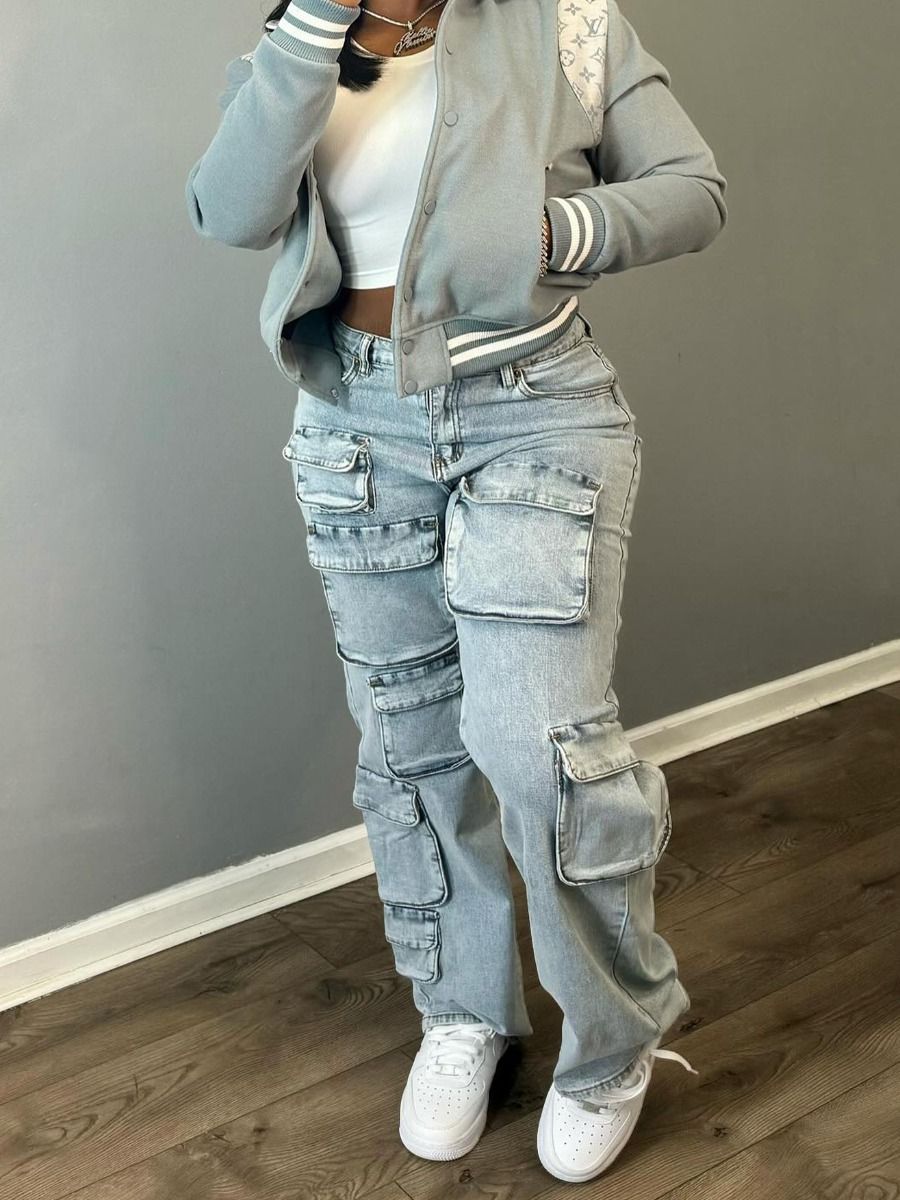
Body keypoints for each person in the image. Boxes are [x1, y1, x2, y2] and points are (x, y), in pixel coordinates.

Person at [185, 0, 726, 1182]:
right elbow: (231, 211)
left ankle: (611, 1041)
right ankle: (464, 1009)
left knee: (541, 750)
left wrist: (546, 232)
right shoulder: (301, 42)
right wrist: (315, 21)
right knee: (410, 746)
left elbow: (693, 191)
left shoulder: (566, 21)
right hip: (352, 424)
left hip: (532, 406)